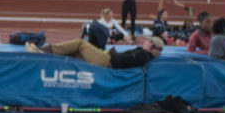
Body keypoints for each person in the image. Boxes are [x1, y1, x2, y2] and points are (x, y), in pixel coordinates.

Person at [34, 35, 163, 68]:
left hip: (106, 61)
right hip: (107, 59)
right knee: (75, 53)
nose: (145, 41)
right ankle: (46, 55)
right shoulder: (143, 55)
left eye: (148, 41)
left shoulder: (142, 55)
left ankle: (46, 51)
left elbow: (119, 60)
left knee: (80, 43)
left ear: (151, 44)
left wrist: (112, 52)